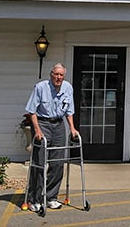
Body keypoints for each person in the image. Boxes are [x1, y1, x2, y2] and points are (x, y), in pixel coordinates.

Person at [24, 63, 79, 212]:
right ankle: (33, 199)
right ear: (51, 74)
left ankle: (51, 197)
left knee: (57, 163)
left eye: (61, 75)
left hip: (59, 125)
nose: (58, 78)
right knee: (39, 163)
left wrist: (72, 128)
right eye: (56, 74)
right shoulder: (40, 87)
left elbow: (69, 111)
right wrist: (37, 130)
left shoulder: (68, 87)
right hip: (42, 123)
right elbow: (31, 111)